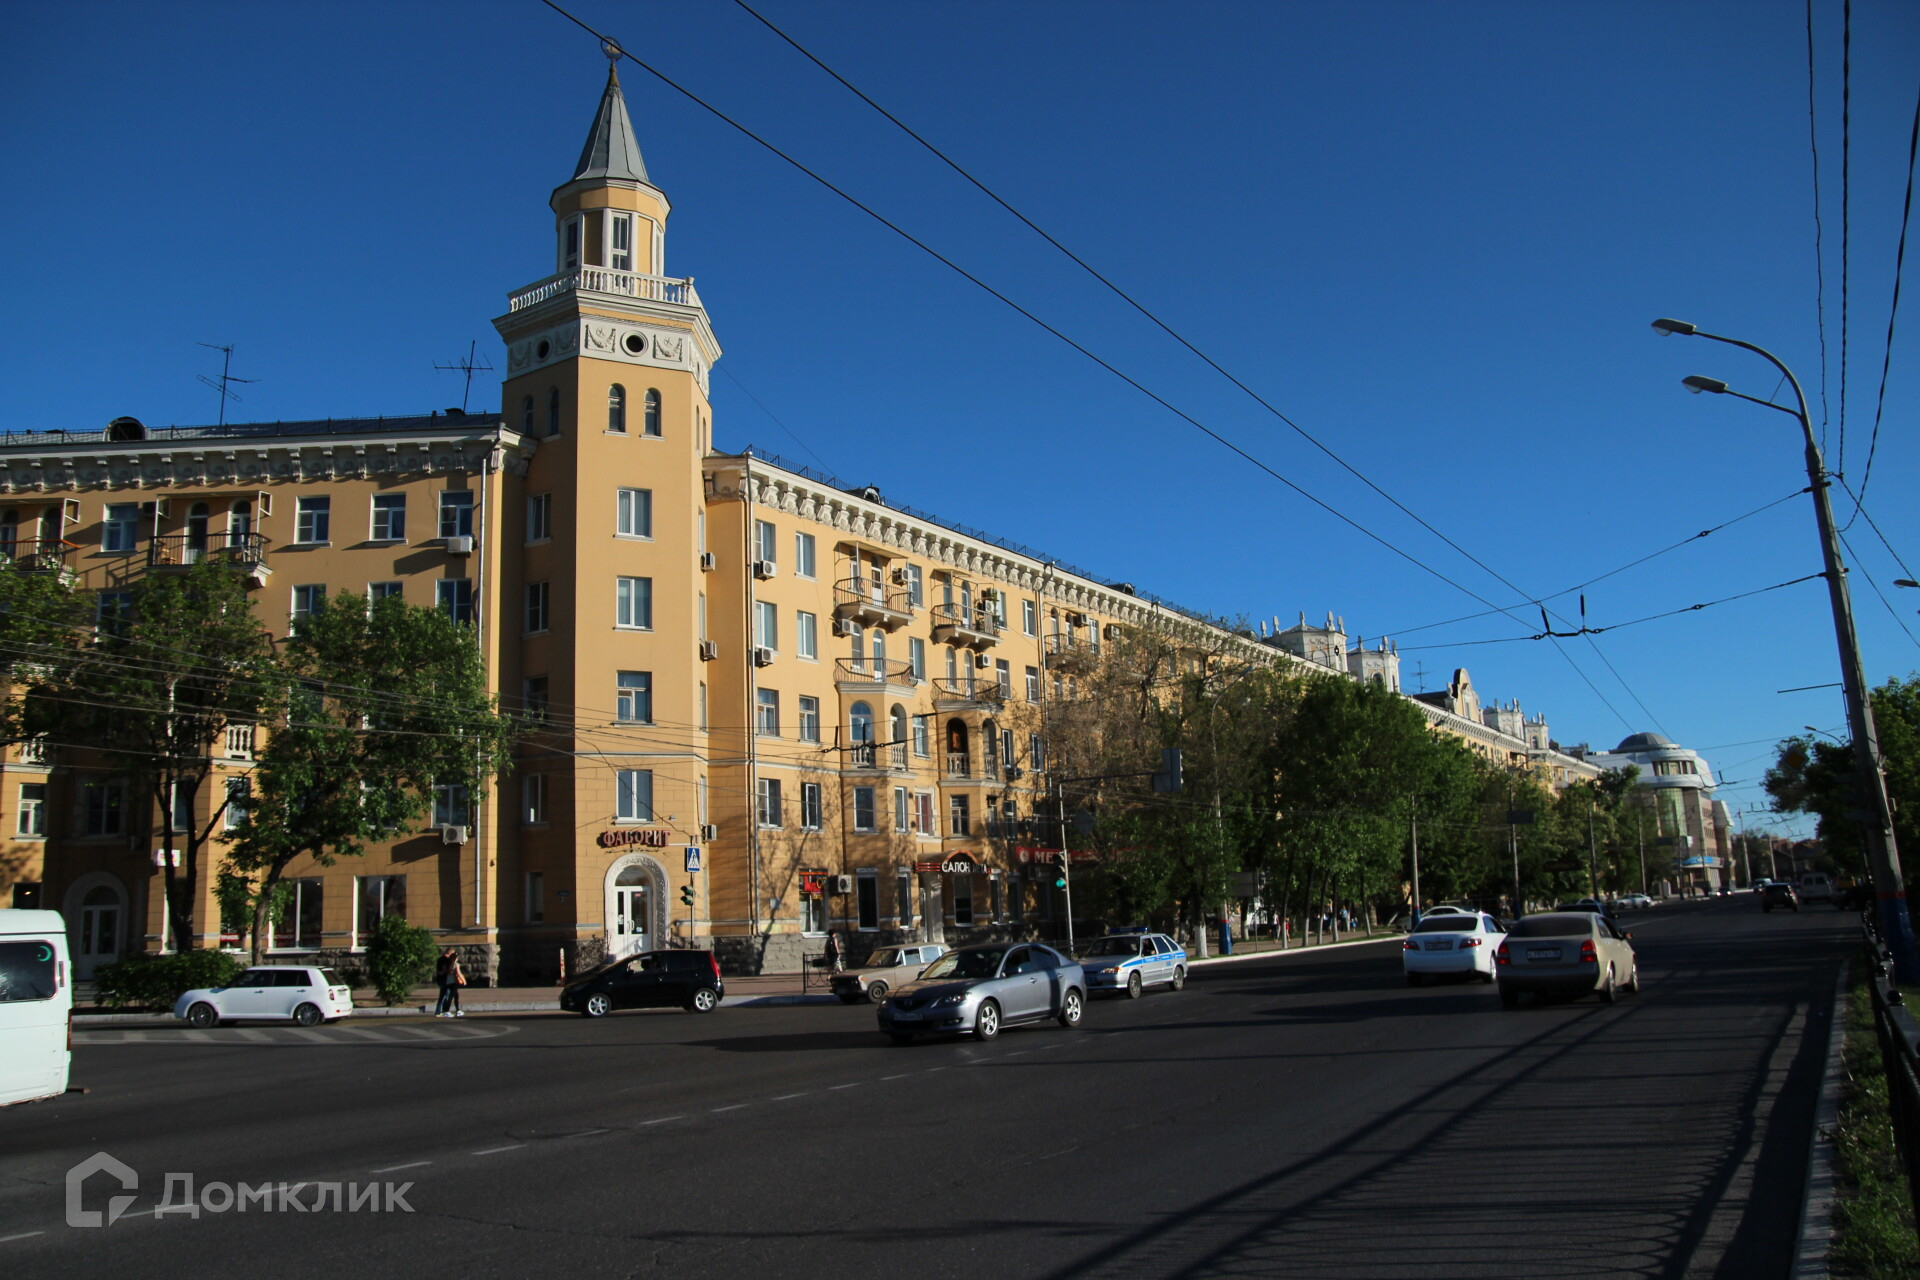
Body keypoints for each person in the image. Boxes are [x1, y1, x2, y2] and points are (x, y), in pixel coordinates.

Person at [435, 947, 465, 1018]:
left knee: (447, 995)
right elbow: (447, 970)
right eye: (453, 953)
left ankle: (442, 1011)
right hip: (447, 980)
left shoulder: (440, 959)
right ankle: (442, 1011)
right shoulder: (447, 960)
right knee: (446, 996)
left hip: (443, 979)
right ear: (450, 952)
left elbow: (439, 970)